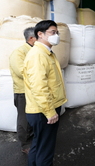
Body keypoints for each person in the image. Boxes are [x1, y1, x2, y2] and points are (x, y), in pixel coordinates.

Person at [23, 20, 67, 166]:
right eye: (53, 32)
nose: (56, 36)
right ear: (40, 34)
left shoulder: (46, 53)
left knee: (39, 144)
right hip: (43, 110)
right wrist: (49, 111)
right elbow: (39, 87)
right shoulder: (38, 55)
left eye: (57, 33)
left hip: (42, 109)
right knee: (46, 150)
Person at [9, 27, 36, 154]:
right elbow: (21, 71)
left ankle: (32, 138)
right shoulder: (19, 52)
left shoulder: (36, 51)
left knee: (33, 117)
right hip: (23, 92)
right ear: (31, 38)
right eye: (39, 36)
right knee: (24, 119)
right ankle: (25, 145)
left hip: (34, 90)